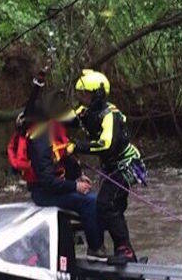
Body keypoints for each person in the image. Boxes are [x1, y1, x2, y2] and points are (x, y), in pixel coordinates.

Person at [12, 71, 105, 257]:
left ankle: (93, 243)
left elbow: (64, 158)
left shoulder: (50, 133)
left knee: (99, 199)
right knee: (90, 202)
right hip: (44, 193)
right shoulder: (39, 141)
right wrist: (75, 186)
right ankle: (95, 249)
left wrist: (78, 175)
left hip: (56, 188)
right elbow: (47, 180)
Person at [62, 69, 147, 263]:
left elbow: (106, 145)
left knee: (107, 204)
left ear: (98, 94)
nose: (83, 98)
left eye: (86, 94)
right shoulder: (86, 111)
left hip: (127, 165)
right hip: (113, 167)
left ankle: (125, 252)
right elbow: (64, 119)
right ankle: (125, 251)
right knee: (112, 206)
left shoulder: (110, 115)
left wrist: (76, 147)